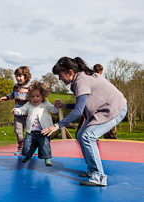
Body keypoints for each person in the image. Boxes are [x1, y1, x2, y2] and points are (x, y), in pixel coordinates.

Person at [41, 57, 127, 186]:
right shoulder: (81, 78)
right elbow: (82, 104)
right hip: (102, 110)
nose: (59, 78)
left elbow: (78, 111)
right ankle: (92, 170)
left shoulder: (81, 81)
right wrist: (65, 105)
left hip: (114, 109)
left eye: (60, 75)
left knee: (88, 136)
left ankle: (99, 177)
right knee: (81, 135)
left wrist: (57, 126)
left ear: (70, 72)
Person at [11, 80, 59, 166]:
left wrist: (57, 106)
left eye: (37, 96)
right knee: (27, 145)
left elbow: (53, 109)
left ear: (42, 96)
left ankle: (47, 159)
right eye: (32, 96)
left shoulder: (45, 103)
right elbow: (22, 110)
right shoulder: (29, 104)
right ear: (29, 97)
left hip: (44, 131)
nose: (35, 98)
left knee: (45, 145)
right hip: (31, 131)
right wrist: (15, 111)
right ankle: (28, 156)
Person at [0, 66, 33, 155]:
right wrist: (6, 97)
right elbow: (12, 95)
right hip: (18, 115)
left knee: (31, 133)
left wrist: (26, 91)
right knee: (18, 132)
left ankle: (33, 147)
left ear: (26, 77)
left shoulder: (31, 87)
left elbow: (35, 96)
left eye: (20, 76)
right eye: (16, 76)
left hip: (28, 115)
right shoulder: (15, 86)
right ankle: (21, 148)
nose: (18, 78)